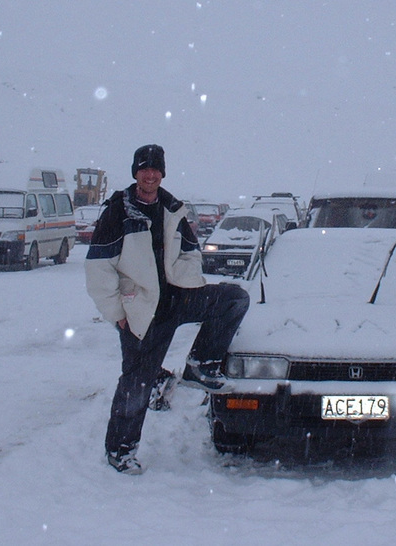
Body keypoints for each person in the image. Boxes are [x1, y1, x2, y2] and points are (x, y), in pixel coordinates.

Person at [85, 144, 249, 474]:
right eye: (144, 169)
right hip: (141, 311)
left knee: (233, 299)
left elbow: (191, 253)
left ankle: (201, 365)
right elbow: (98, 267)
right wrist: (117, 313)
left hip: (177, 298)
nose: (150, 174)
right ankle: (120, 451)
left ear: (162, 173)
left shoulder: (173, 209)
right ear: (136, 173)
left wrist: (184, 281)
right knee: (136, 384)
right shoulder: (119, 211)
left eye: (156, 169)